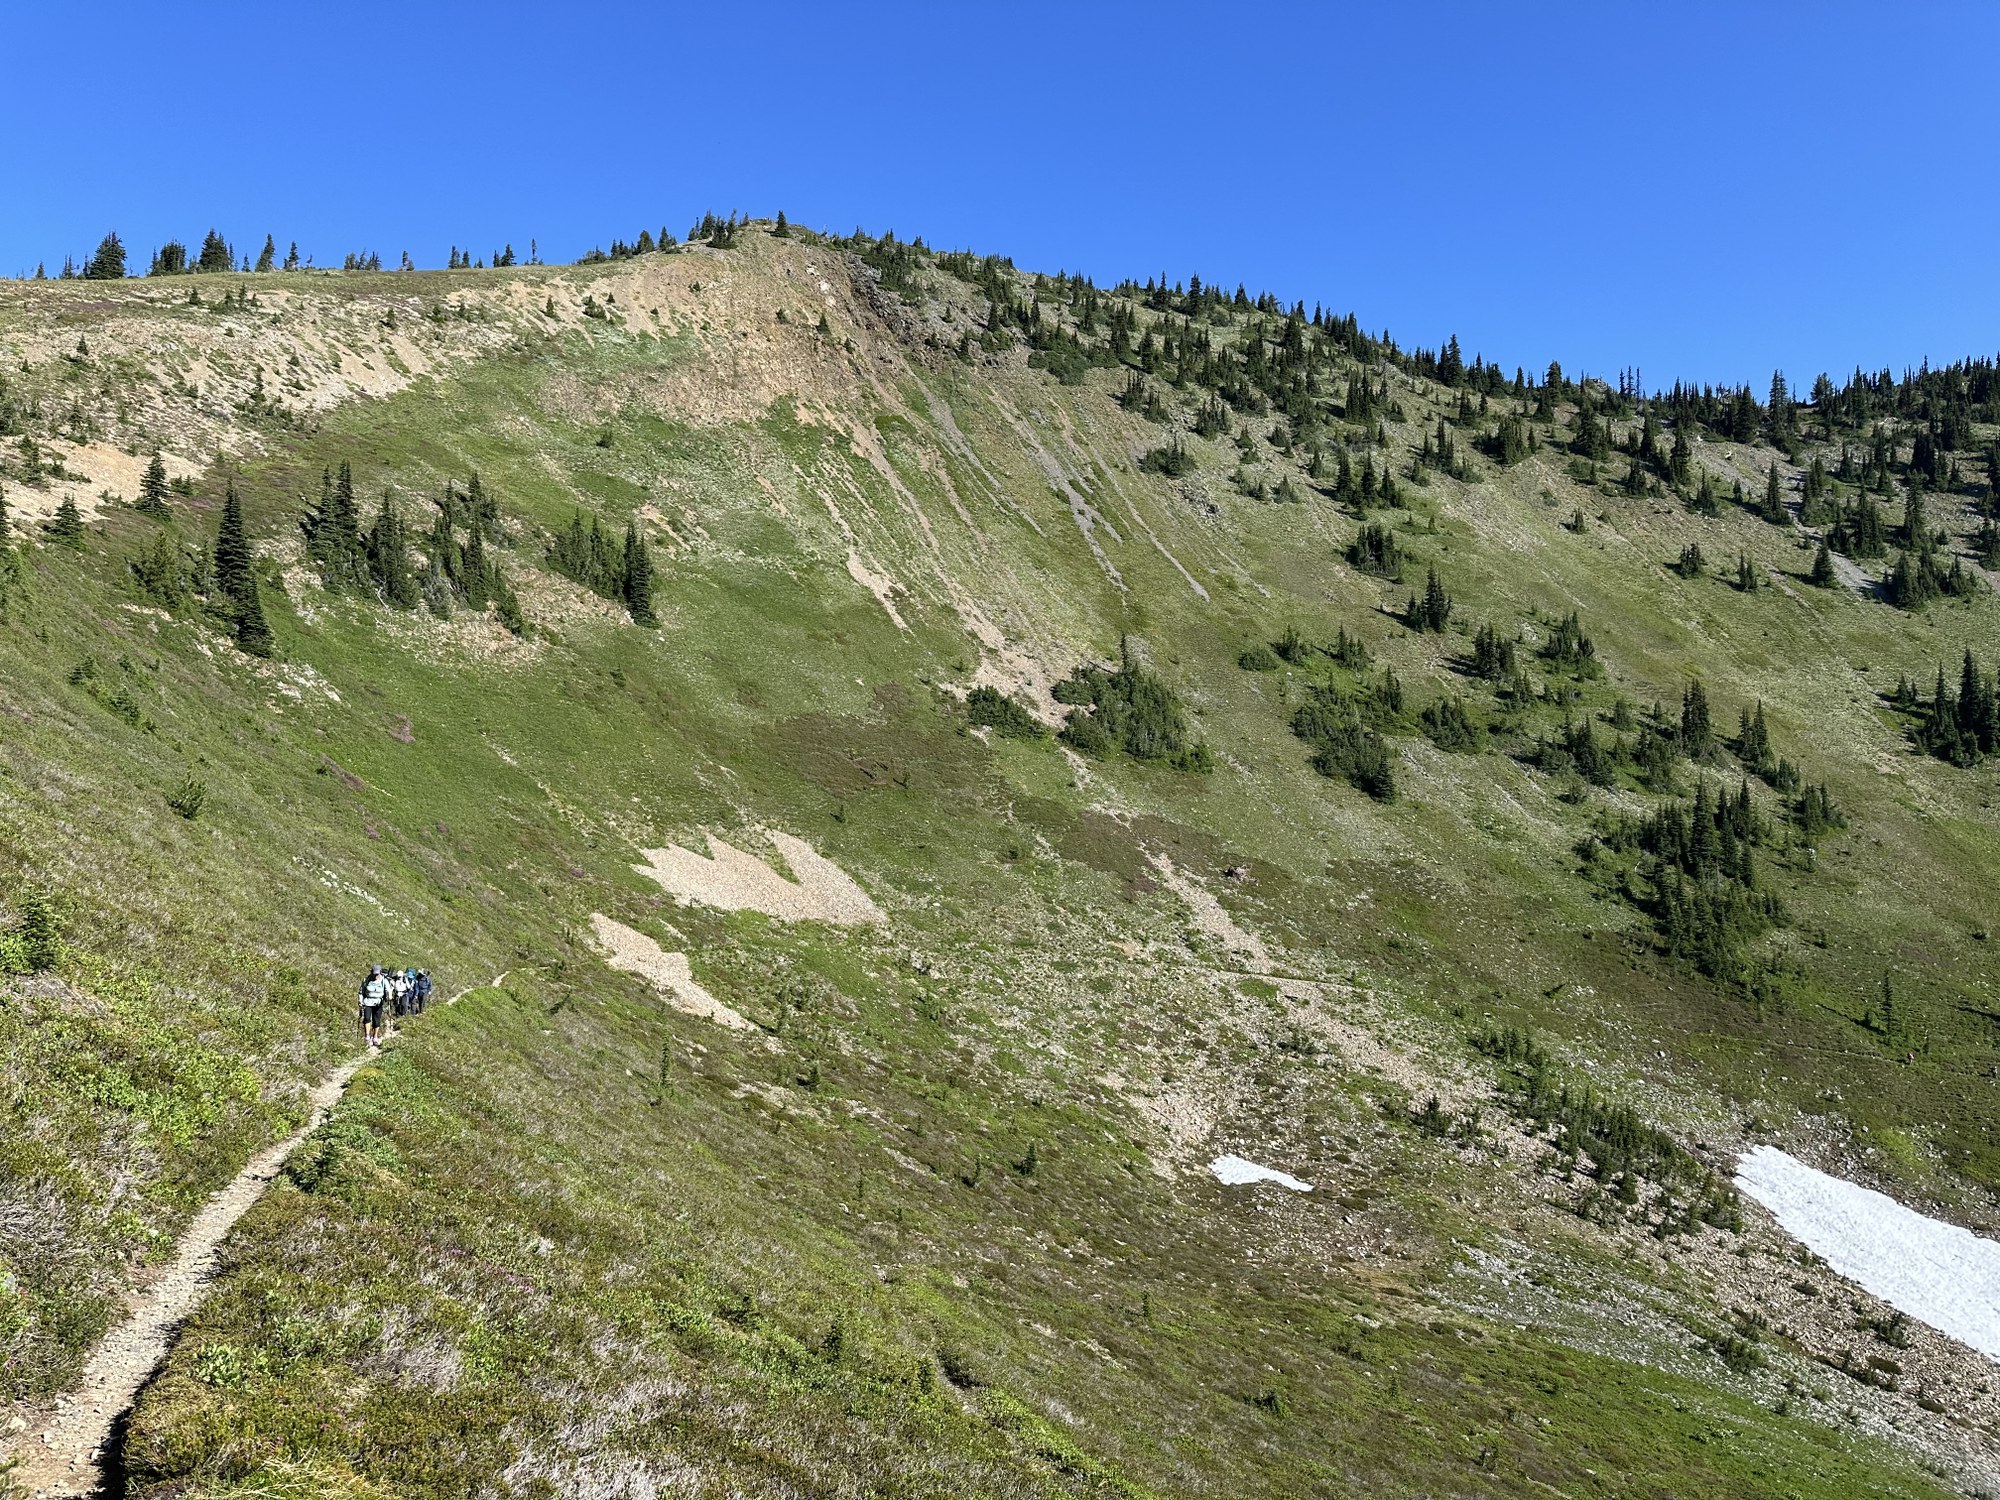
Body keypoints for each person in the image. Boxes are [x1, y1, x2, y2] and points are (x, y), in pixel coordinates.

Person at [359, 964, 389, 1048]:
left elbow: (388, 990)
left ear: (380, 972)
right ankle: (367, 1036)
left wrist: (388, 995)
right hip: (367, 1002)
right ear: (371, 972)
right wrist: (360, 1001)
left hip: (378, 1002)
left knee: (376, 1020)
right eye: (374, 974)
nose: (376, 976)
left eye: (377, 974)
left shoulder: (384, 980)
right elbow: (361, 992)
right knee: (367, 1018)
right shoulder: (366, 980)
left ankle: (375, 1037)